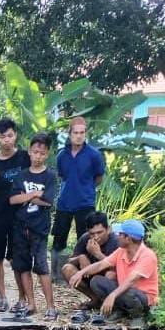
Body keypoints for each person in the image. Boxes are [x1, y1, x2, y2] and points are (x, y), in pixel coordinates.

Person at [69, 219, 158, 324]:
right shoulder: (121, 251)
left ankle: (139, 316)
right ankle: (119, 311)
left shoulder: (148, 256)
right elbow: (101, 265)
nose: (117, 236)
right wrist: (81, 273)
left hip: (143, 299)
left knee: (126, 291)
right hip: (125, 292)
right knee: (97, 281)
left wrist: (112, 295)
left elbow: (130, 281)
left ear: (128, 238)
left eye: (120, 234)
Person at [0, 118, 31, 312]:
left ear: (15, 135)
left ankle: (22, 299)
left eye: (10, 135)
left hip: (21, 216)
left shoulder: (25, 158)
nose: (7, 140)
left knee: (16, 258)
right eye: (3, 137)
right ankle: (2, 298)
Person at [9, 133, 58, 320]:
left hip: (39, 228)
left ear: (47, 154)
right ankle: (31, 303)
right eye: (35, 152)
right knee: (23, 267)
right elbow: (13, 199)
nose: (38, 156)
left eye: (42, 153)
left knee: (42, 267)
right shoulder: (21, 175)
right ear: (29, 151)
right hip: (20, 226)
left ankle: (51, 306)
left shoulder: (50, 176)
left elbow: (48, 201)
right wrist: (33, 195)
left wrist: (26, 196)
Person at [51, 117, 106, 282]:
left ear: (85, 134)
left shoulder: (94, 155)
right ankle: (56, 275)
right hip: (65, 202)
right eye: (75, 133)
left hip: (85, 203)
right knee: (59, 239)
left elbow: (99, 177)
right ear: (70, 134)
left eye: (82, 132)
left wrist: (85, 188)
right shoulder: (62, 155)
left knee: (86, 238)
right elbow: (62, 176)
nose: (79, 136)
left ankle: (85, 275)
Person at [61, 211, 119, 309]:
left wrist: (98, 254)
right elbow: (69, 260)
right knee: (67, 269)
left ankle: (113, 303)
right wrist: (80, 258)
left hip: (106, 279)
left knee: (111, 274)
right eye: (92, 233)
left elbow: (120, 268)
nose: (96, 237)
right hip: (89, 277)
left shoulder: (116, 241)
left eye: (100, 232)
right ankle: (96, 299)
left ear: (108, 229)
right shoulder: (85, 238)